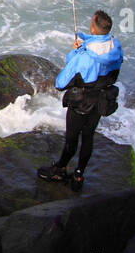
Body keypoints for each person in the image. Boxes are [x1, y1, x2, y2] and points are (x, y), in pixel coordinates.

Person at [39, 10, 123, 192]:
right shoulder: (115, 47)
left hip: (82, 104)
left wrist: (75, 52)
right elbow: (99, 50)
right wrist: (83, 43)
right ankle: (78, 174)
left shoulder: (84, 57)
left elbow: (61, 83)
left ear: (93, 28)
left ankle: (60, 169)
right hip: (100, 102)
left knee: (71, 139)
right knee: (88, 138)